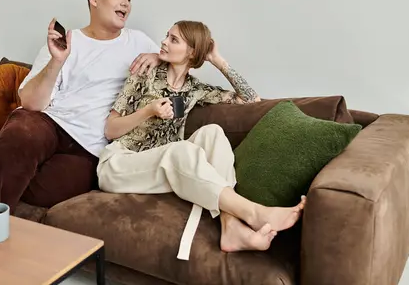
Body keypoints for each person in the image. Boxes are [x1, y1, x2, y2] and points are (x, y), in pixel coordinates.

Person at [97, 20, 307, 260]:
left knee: (213, 133)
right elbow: (110, 130)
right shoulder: (144, 73)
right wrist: (148, 111)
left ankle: (230, 227)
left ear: (192, 52)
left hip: (160, 170)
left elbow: (253, 101)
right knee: (180, 151)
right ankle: (254, 213)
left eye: (173, 39)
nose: (164, 41)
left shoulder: (195, 89)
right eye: (167, 36)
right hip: (120, 165)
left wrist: (218, 61)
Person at [0, 0, 162, 211]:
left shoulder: (139, 41)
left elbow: (179, 64)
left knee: (38, 189)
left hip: (91, 147)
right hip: (51, 124)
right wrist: (57, 62)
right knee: (19, 137)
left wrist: (159, 58)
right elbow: (30, 104)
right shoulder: (67, 42)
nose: (125, 3)